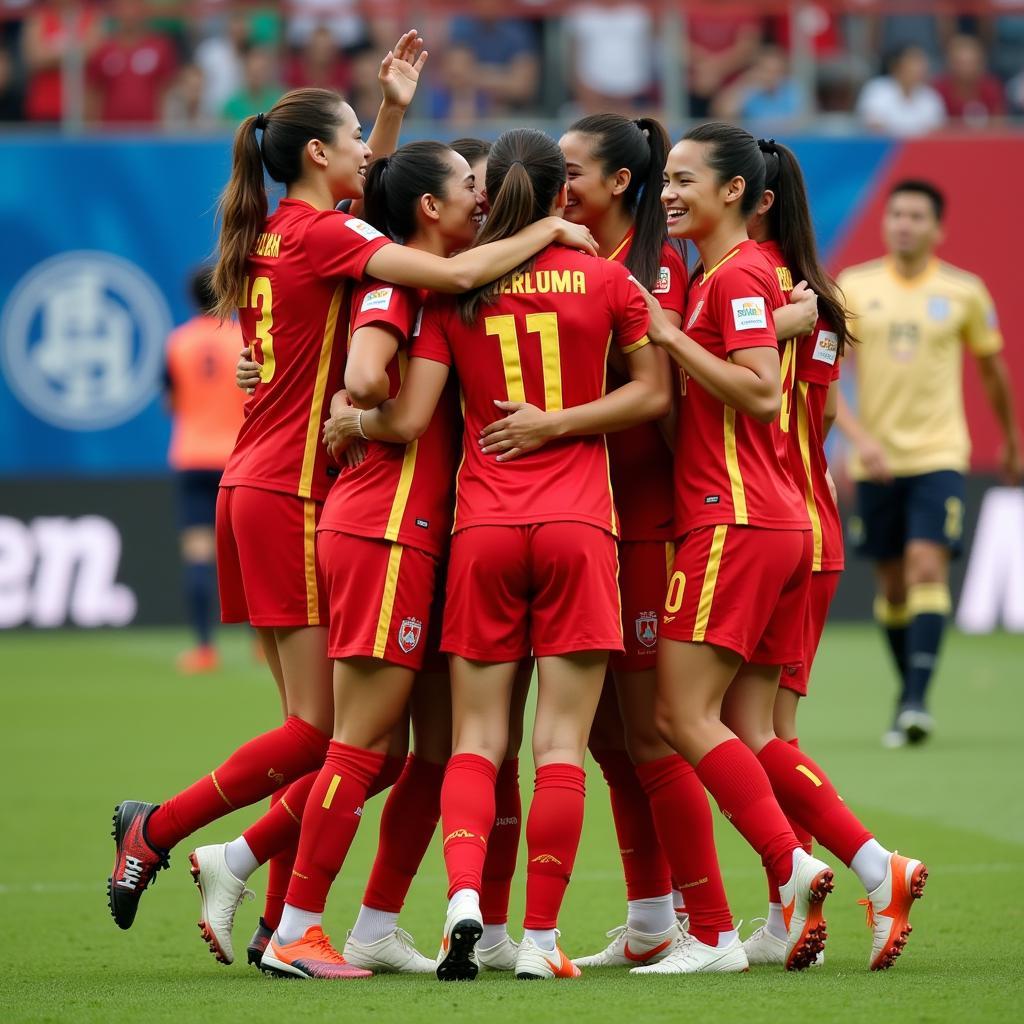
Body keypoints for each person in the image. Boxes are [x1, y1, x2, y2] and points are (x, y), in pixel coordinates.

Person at [106, 49, 598, 942]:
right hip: (300, 494)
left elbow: (380, 207)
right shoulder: (335, 241)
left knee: (346, 743)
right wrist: (549, 233)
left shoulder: (287, 232)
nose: (366, 155)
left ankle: (265, 904)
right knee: (330, 740)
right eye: (353, 141)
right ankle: (179, 839)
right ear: (320, 158)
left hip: (266, 485)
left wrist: (387, 109)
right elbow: (435, 269)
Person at [325, 127, 670, 981]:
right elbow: (653, 394)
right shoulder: (608, 279)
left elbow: (409, 417)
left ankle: (464, 904)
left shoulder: (456, 297)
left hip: (480, 531)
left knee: (476, 742)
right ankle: (543, 941)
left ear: (494, 198)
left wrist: (349, 418)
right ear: (562, 195)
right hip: (582, 528)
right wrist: (561, 421)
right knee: (560, 746)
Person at [204, 140, 478, 980]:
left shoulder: (391, 263)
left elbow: (371, 188)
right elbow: (364, 380)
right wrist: (371, 421)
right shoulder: (395, 280)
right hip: (379, 524)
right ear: (429, 208)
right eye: (472, 187)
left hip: (409, 529)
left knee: (402, 752)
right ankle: (274, 908)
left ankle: (333, 910)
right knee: (347, 744)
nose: (481, 200)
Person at [552, 115, 819, 972]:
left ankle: (757, 895)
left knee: (669, 726)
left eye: (572, 170)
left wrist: (676, 338)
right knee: (625, 737)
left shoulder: (678, 268)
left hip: (685, 522)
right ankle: (659, 921)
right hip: (652, 516)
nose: (562, 185)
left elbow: (729, 386)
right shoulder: (697, 269)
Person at [634, 122, 834, 974]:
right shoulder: (730, 274)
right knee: (728, 722)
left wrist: (671, 338)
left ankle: (777, 883)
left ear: (735, 194)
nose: (669, 193)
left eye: (684, 179)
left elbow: (758, 392)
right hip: (757, 517)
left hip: (738, 518)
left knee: (680, 716)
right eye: (666, 178)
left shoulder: (744, 272)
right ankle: (809, 878)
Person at [738, 141, 928, 972]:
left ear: (754, 199)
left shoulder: (743, 286)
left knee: (735, 731)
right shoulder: (823, 296)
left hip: (755, 519)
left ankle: (872, 865)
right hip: (810, 518)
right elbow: (811, 424)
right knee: (775, 734)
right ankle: (791, 917)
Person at [836, 179, 1020, 746]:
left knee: (925, 567)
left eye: (917, 216)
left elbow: (992, 370)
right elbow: (823, 376)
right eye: (896, 214)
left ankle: (917, 701)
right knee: (891, 587)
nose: (904, 224)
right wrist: (856, 437)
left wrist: (1011, 440)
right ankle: (907, 691)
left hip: (940, 454)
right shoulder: (854, 286)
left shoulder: (964, 292)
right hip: (876, 460)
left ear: (938, 229)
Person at [164, 267, 246, 674]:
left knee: (199, 552)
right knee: (249, 553)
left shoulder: (177, 343)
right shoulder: (243, 339)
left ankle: (203, 648)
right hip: (239, 457)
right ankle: (265, 644)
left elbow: (171, 403)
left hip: (192, 456)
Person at [855, 44, 946, 137]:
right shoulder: (876, 89)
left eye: (922, 62)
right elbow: (873, 126)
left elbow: (937, 131)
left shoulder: (930, 96)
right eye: (914, 61)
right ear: (896, 65)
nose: (921, 68)